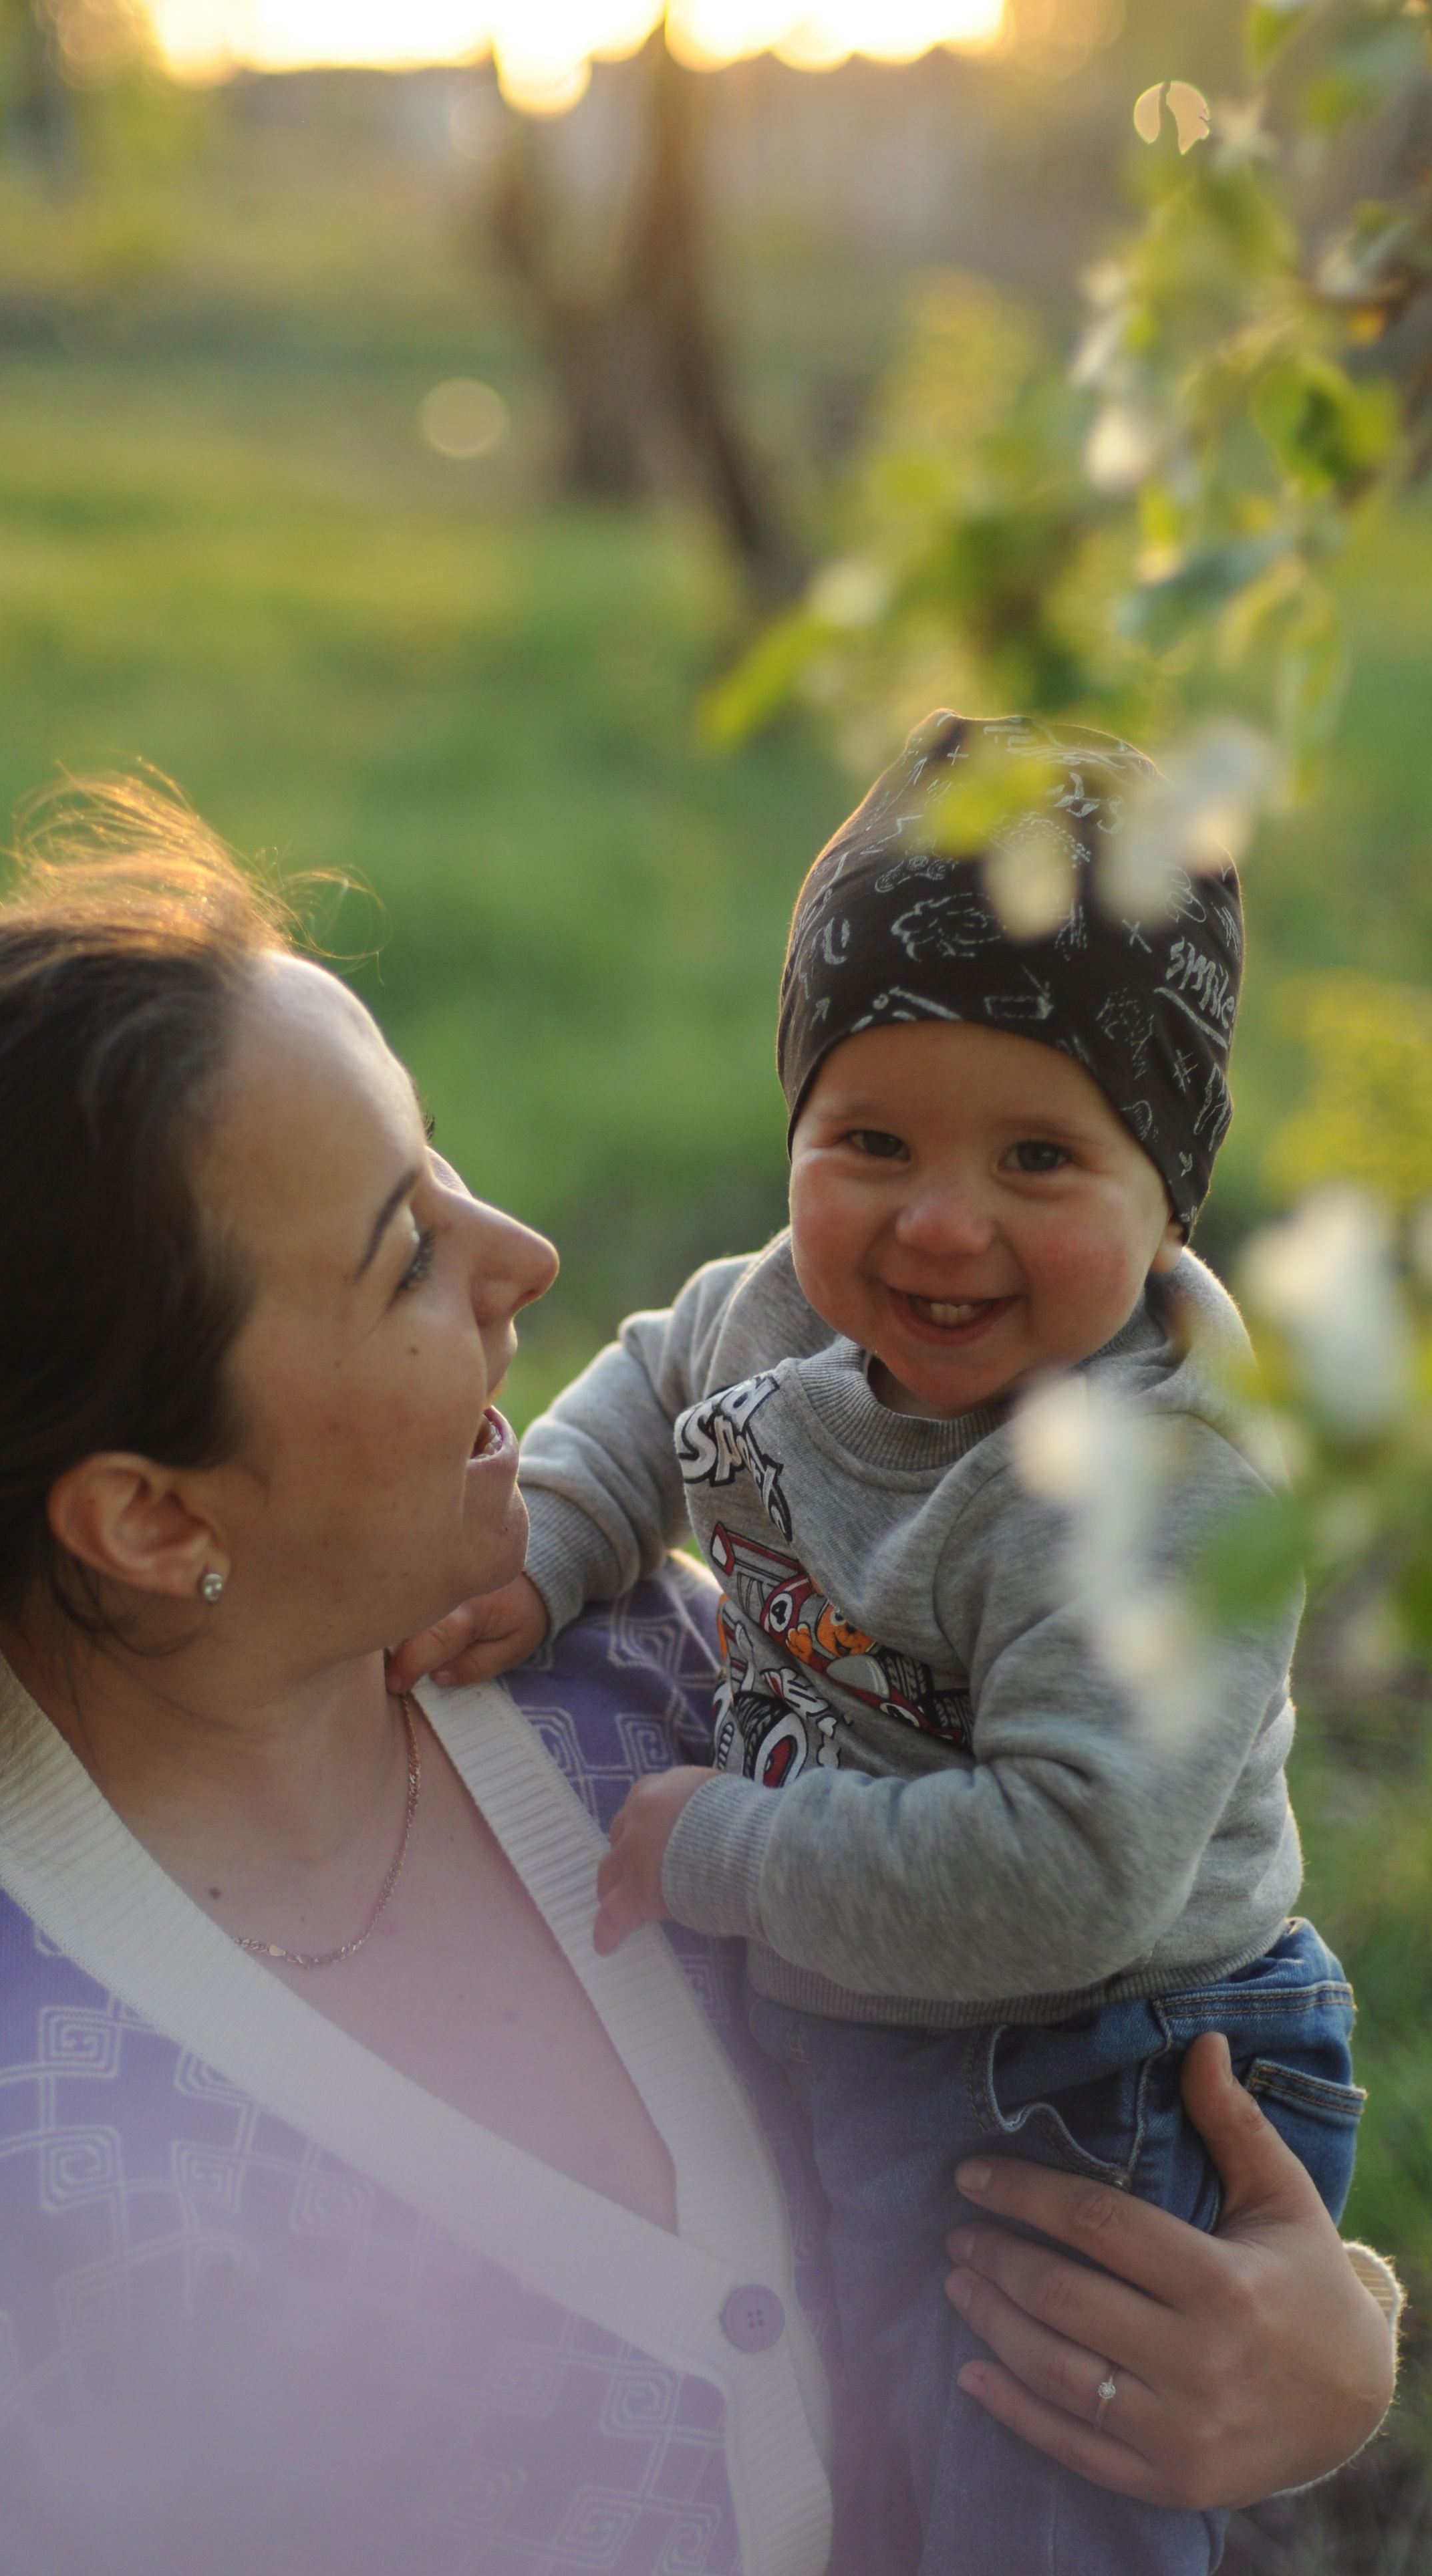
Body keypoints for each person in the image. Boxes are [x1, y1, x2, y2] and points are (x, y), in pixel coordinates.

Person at [0, 784, 1400, 2576]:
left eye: (440, 1155)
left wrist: (1317, 2345)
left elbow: (1083, 2039)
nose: (522, 1253)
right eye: (404, 1251)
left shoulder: (628, 1681)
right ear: (145, 1513)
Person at [393, 712, 1367, 2575]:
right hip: (905, 2022)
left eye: (1036, 1157)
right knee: (868, 2483)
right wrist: (560, 1546)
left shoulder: (1151, 1494)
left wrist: (733, 1855)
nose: (939, 1222)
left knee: (1025, 2491)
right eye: (870, 1138)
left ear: (1170, 1195)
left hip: (1099, 2064)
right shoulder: (777, 1309)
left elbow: (1070, 1871)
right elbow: (655, 1375)